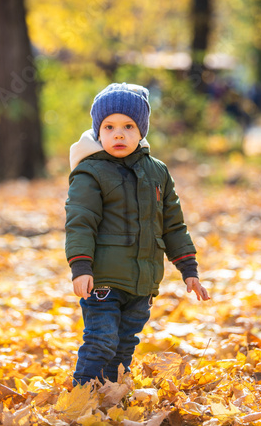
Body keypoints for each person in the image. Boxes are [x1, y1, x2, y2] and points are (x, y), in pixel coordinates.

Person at [65, 82, 210, 386]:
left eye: (128, 125)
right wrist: (80, 267)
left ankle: (111, 395)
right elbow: (81, 221)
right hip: (103, 278)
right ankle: (81, 398)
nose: (118, 133)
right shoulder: (90, 172)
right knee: (101, 340)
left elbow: (173, 224)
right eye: (109, 126)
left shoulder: (158, 172)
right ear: (98, 131)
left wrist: (188, 269)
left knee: (124, 344)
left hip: (143, 280)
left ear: (142, 130)